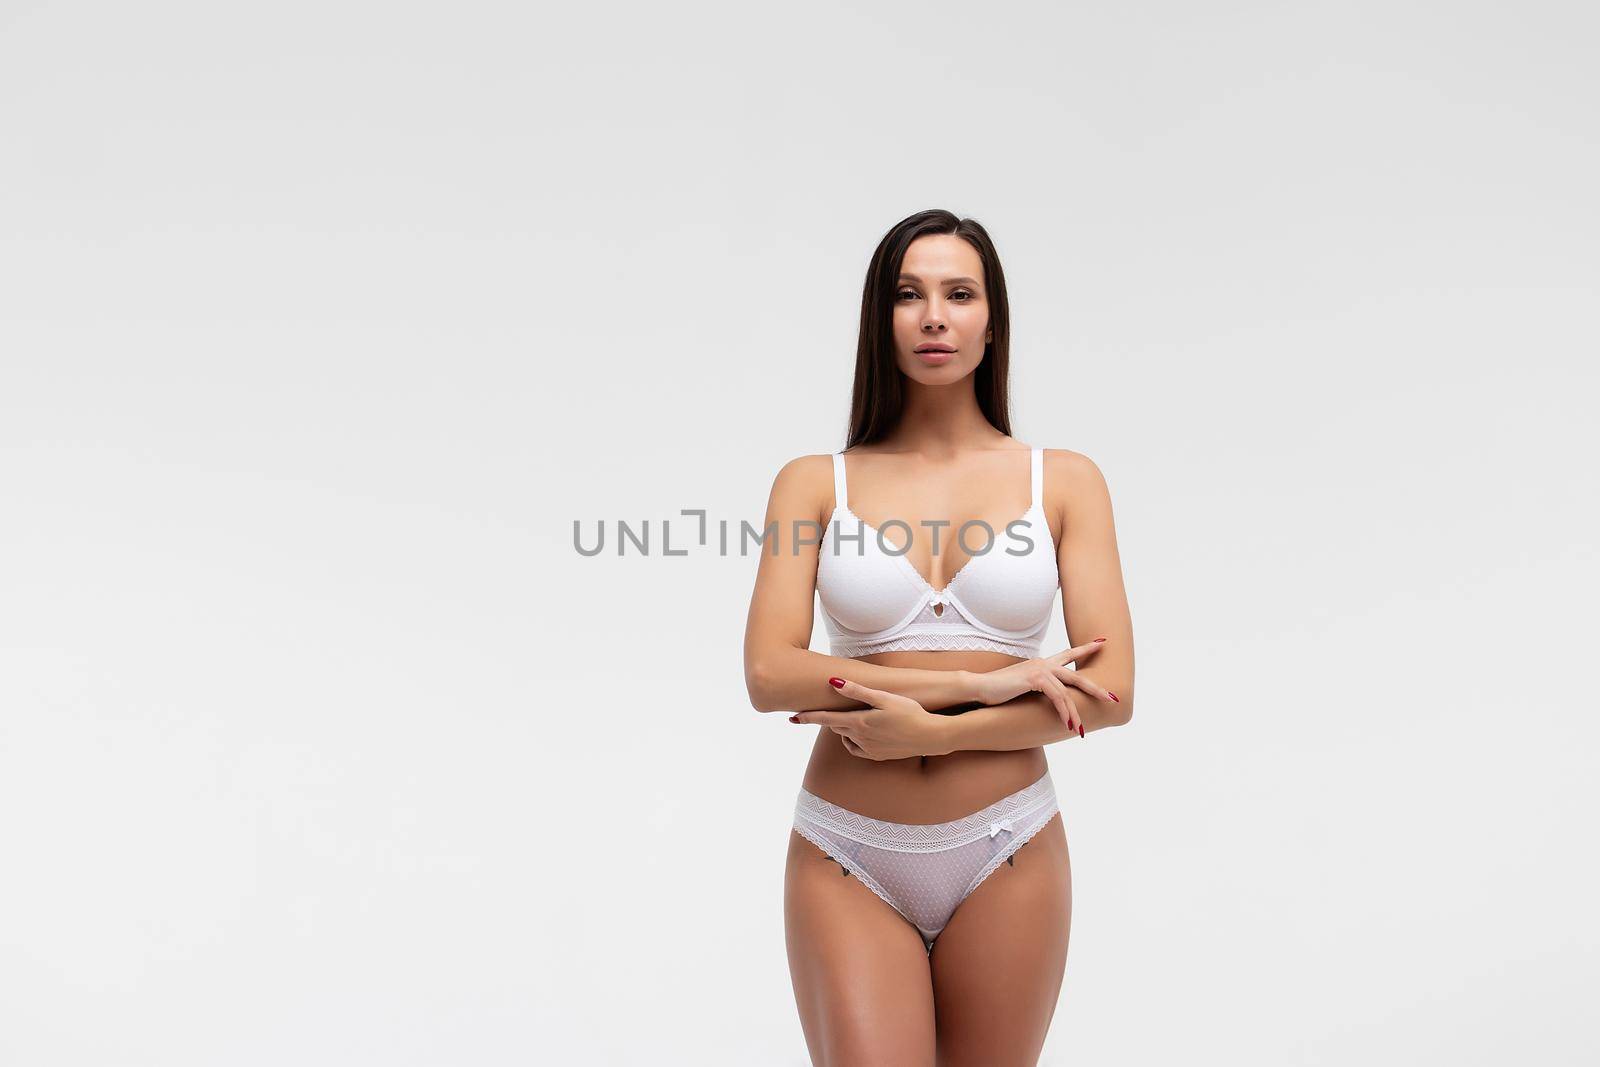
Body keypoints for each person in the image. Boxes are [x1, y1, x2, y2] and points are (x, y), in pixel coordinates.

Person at [742, 208, 1136, 1066]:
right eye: (907, 295)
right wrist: (977, 684)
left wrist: (935, 732)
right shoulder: (810, 484)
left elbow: (1111, 697)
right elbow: (771, 673)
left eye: (959, 294)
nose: (933, 316)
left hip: (1009, 846)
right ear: (878, 321)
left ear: (991, 323)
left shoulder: (1065, 482)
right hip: (847, 850)